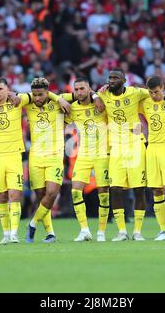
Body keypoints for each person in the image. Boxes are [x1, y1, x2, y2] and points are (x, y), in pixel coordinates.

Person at [95, 68, 150, 241]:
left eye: (115, 78)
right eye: (109, 77)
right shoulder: (103, 94)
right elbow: (88, 94)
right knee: (115, 189)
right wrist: (96, 96)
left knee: (139, 189)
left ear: (124, 80)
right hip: (116, 147)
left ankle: (137, 231)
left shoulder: (135, 92)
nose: (111, 80)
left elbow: (156, 92)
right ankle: (121, 231)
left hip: (135, 144)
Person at [60, 77, 110, 242]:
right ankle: (84, 230)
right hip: (84, 155)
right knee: (75, 192)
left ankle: (101, 232)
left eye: (83, 88)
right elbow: (59, 112)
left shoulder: (100, 103)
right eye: (77, 89)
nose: (80, 92)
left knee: (103, 193)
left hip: (103, 154)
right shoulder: (72, 108)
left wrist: (96, 96)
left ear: (89, 89)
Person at [24, 77, 71, 243]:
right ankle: (50, 233)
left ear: (47, 92)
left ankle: (32, 224)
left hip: (55, 155)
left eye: (41, 94)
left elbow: (82, 95)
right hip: (35, 156)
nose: (37, 98)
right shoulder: (28, 103)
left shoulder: (58, 102)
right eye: (35, 94)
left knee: (52, 193)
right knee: (41, 196)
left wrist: (58, 98)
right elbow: (14, 96)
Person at [0, 77, 26, 244]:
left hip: (14, 155)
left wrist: (13, 94)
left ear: (7, 89)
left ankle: (14, 233)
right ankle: (6, 233)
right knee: (1, 196)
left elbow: (32, 96)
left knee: (15, 194)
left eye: (1, 89)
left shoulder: (17, 102)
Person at [140, 76, 165, 241]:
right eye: (150, 92)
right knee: (156, 190)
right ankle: (163, 229)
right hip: (152, 148)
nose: (153, 95)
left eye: (156, 92)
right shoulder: (145, 102)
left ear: (162, 87)